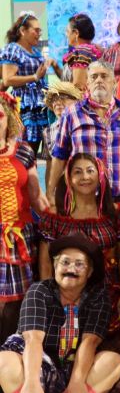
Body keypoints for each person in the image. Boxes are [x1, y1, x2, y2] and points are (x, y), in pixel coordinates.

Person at [0, 235, 120, 393]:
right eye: (64, 262)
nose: (71, 269)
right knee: (3, 360)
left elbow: (90, 342)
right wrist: (31, 382)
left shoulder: (98, 296)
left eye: (79, 264)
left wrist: (77, 380)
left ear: (90, 272)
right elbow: (33, 340)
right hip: (35, 367)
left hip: (73, 371)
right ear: (55, 266)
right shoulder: (39, 291)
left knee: (115, 361)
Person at [40, 153, 120, 333]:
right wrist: (50, 299)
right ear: (69, 179)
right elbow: (45, 262)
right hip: (66, 293)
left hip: (108, 292)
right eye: (78, 172)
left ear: (99, 176)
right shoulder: (55, 215)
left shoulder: (114, 213)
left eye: (90, 171)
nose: (85, 177)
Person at [48, 60, 120, 205]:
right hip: (81, 200)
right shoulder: (72, 113)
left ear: (114, 82)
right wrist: (50, 192)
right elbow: (59, 155)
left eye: (104, 76)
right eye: (94, 77)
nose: (99, 80)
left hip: (118, 201)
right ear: (87, 83)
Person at [0, 92, 48, 344]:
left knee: (16, 303)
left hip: (18, 235)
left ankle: (7, 354)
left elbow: (37, 197)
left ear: (8, 117)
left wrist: (60, 221)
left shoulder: (24, 152)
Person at [1, 13, 60, 154]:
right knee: (26, 151)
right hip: (26, 106)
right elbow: (8, 79)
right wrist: (34, 77)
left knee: (45, 151)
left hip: (41, 105)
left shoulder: (35, 51)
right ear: (23, 30)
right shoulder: (13, 49)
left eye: (40, 30)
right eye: (36, 30)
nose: (39, 34)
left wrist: (52, 64)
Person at [41, 81, 82, 192]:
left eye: (63, 97)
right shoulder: (48, 131)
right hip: (60, 190)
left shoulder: (84, 125)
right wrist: (49, 193)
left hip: (83, 185)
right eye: (54, 99)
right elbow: (49, 166)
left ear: (76, 101)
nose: (58, 102)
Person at [62, 14, 103, 93]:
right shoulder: (89, 51)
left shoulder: (82, 53)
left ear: (76, 33)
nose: (66, 35)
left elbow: (79, 87)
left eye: (67, 31)